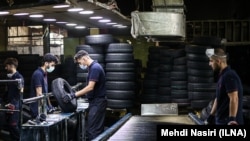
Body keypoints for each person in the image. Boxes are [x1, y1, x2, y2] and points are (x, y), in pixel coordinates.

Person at [63, 50, 107, 140]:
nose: (80, 65)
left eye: (80, 62)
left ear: (84, 58)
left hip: (97, 102)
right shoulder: (92, 67)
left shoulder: (95, 68)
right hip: (96, 102)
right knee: (96, 129)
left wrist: (73, 95)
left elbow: (90, 87)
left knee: (92, 130)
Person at [205, 48, 244, 125]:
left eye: (211, 61)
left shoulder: (229, 75)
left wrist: (232, 120)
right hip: (221, 121)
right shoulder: (222, 76)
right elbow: (218, 99)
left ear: (219, 61)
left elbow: (234, 98)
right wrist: (211, 117)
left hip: (228, 122)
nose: (209, 64)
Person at [29, 53, 58, 119]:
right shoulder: (38, 74)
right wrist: (45, 109)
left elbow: (45, 93)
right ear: (46, 63)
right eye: (52, 65)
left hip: (43, 108)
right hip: (37, 110)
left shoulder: (45, 74)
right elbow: (39, 94)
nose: (53, 67)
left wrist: (50, 106)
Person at [4, 57, 24, 141]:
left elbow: (21, 91)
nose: (5, 68)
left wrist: (14, 105)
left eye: (7, 66)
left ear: (12, 66)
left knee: (13, 125)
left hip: (15, 105)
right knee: (10, 126)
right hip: (9, 104)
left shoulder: (19, 77)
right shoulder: (10, 78)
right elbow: (7, 92)